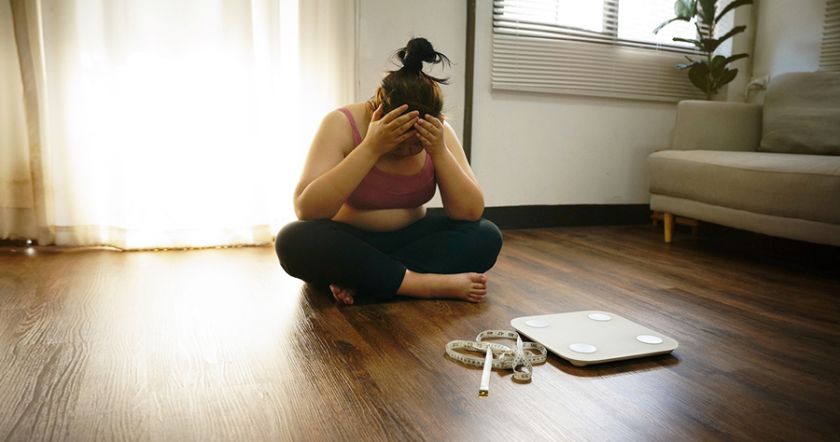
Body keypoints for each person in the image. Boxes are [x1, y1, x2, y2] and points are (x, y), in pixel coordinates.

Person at [275, 37, 502, 305]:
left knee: (486, 235)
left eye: (415, 145)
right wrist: (371, 147)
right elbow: (307, 209)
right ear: (378, 114)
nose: (406, 151)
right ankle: (422, 284)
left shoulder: (439, 133)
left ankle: (366, 279)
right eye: (398, 142)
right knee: (292, 240)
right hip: (351, 240)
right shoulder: (341, 123)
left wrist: (439, 151)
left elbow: (469, 212)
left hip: (411, 240)